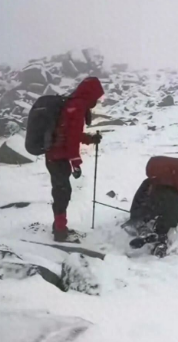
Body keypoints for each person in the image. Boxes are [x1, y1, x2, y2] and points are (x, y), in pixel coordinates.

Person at [46, 77, 105, 242]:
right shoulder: (78, 106)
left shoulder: (72, 103)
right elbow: (71, 138)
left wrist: (89, 139)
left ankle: (59, 226)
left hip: (53, 155)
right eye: (97, 97)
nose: (97, 101)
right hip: (59, 157)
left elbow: (70, 133)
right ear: (91, 94)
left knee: (60, 191)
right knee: (62, 193)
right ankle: (60, 231)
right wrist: (76, 163)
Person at [125, 179, 178, 258]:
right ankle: (161, 240)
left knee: (140, 214)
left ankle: (143, 230)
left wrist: (135, 215)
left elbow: (138, 200)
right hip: (170, 211)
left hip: (151, 206)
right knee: (167, 220)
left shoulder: (152, 182)